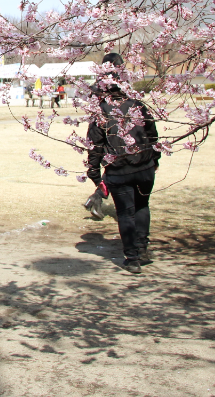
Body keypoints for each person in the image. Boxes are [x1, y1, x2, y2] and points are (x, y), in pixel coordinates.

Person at [84, 53, 160, 274]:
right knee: (142, 206)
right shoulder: (138, 105)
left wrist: (95, 174)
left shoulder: (102, 112)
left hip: (119, 170)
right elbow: (153, 135)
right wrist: (155, 159)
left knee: (126, 212)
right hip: (145, 166)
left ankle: (133, 257)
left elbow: (95, 144)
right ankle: (142, 248)